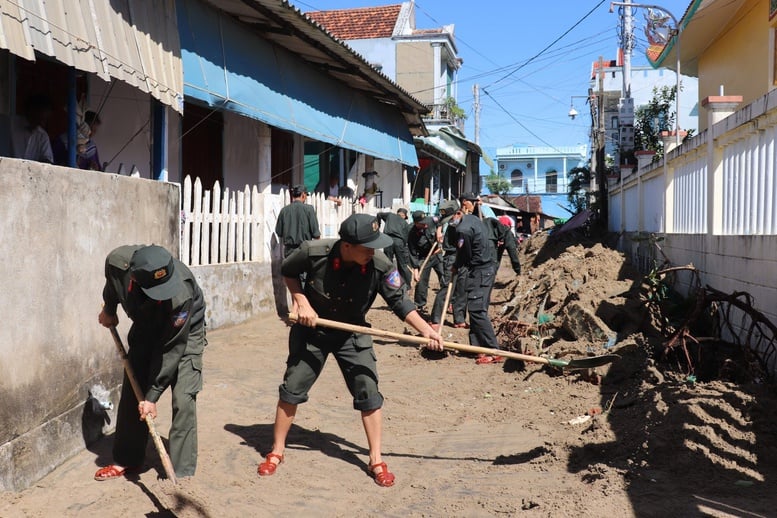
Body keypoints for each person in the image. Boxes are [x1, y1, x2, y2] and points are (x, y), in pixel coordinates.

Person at [258, 214, 444, 487]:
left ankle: (376, 459)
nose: (372, 251)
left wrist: (426, 330)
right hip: (313, 332)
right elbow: (288, 271)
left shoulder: (379, 264)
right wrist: (300, 300)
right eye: (366, 247)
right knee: (292, 387)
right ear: (346, 245)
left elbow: (400, 303)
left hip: (354, 332)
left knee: (368, 390)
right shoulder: (313, 252)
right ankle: (277, 451)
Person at [94, 245, 206, 480]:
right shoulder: (117, 262)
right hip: (146, 326)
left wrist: (152, 396)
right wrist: (110, 308)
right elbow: (112, 283)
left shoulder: (180, 294)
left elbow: (172, 348)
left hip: (184, 333)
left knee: (184, 397)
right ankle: (127, 458)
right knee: (133, 391)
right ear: (134, 280)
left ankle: (181, 475)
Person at [448, 208, 503, 365]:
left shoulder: (463, 230)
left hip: (481, 271)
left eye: (451, 217)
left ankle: (493, 350)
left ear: (458, 213)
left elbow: (465, 254)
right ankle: (478, 347)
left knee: (477, 310)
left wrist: (456, 265)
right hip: (484, 270)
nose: (451, 222)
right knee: (476, 308)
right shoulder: (472, 219)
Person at [429, 200, 468, 329]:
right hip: (452, 257)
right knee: (446, 288)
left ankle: (459, 318)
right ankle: (436, 318)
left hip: (464, 258)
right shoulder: (452, 226)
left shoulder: (465, 223)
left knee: (462, 289)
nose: (450, 220)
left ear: (458, 213)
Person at [407, 210, 443, 314]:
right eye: (422, 224)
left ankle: (450, 302)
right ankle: (419, 305)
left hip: (436, 253)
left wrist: (439, 233)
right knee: (421, 280)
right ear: (416, 223)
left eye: (425, 222)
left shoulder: (431, 220)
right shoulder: (412, 233)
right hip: (424, 257)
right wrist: (416, 269)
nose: (425, 225)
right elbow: (412, 253)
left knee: (445, 276)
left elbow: (441, 221)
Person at [275, 184, 321, 258]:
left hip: (289, 252)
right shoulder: (309, 209)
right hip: (304, 251)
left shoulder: (284, 211)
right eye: (306, 195)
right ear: (303, 195)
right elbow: (316, 234)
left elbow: (279, 232)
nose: (306, 197)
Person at [9, 94, 53, 163]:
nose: (42, 123)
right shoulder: (11, 125)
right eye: (40, 118)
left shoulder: (42, 135)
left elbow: (47, 159)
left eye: (45, 120)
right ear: (31, 110)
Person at [376, 207, 412, 286]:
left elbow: (379, 214)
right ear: (404, 216)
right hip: (399, 242)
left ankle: (388, 283)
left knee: (388, 262)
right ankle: (406, 284)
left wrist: (378, 225)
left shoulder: (390, 216)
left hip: (388, 240)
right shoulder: (405, 223)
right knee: (402, 264)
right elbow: (406, 237)